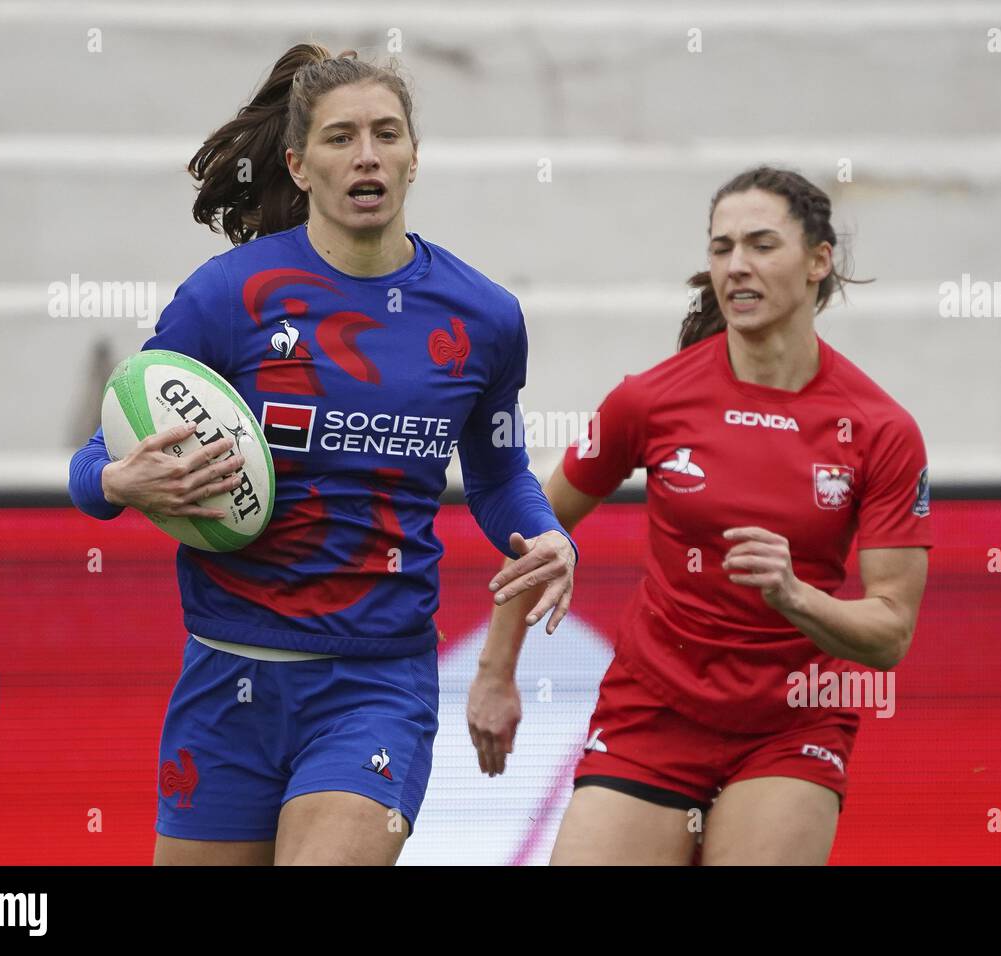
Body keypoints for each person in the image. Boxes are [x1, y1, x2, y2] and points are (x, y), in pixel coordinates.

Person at [68, 44, 577, 866]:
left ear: (415, 156)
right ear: (301, 166)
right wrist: (122, 480)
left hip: (376, 685)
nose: (367, 154)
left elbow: (499, 475)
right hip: (225, 681)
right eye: (341, 138)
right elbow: (91, 467)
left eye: (387, 133)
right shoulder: (228, 296)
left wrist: (550, 534)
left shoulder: (484, 318)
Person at [468, 166, 932, 865]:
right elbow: (534, 528)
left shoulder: (880, 429)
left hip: (791, 722)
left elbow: (890, 632)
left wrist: (794, 596)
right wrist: (496, 674)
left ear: (818, 261)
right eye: (721, 248)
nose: (736, 265)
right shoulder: (650, 400)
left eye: (761, 244)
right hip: (653, 709)